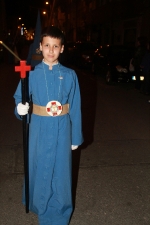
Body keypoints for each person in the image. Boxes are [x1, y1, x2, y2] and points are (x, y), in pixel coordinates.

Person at [13, 26, 83, 225]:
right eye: (47, 46)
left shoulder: (70, 75)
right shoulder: (31, 74)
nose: (51, 50)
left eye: (55, 46)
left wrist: (75, 137)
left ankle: (60, 210)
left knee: (61, 170)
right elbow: (20, 98)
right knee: (39, 164)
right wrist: (20, 109)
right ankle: (39, 202)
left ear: (62, 49)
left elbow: (76, 106)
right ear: (40, 48)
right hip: (39, 128)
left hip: (62, 128)